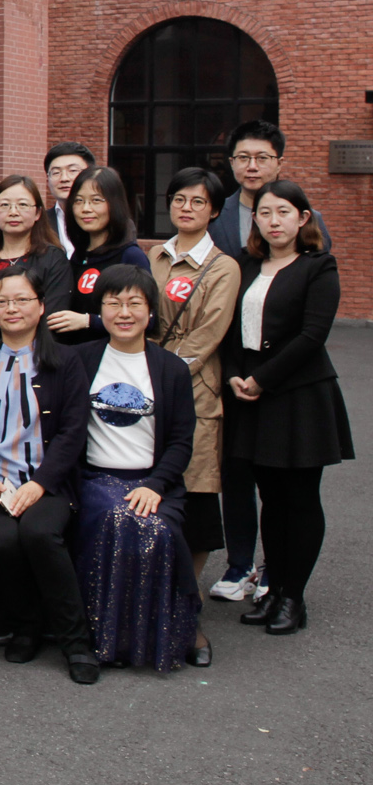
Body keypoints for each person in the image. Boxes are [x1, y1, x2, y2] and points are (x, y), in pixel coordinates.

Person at [223, 180, 353, 636]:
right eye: (265, 213)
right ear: (255, 220)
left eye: (283, 212)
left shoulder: (319, 266)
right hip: (249, 395)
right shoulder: (246, 264)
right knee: (271, 498)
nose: (274, 221)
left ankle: (293, 597)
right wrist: (235, 374)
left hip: (298, 396)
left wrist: (263, 378)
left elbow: (312, 336)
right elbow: (230, 328)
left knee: (299, 498)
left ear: (303, 218)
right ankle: (273, 589)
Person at [0, 266, 101, 684]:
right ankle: (25, 626)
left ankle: (76, 642)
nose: (12, 308)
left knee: (40, 533)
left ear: (41, 306)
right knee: (4, 540)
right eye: (2, 301)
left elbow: (72, 432)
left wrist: (39, 483)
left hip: (47, 483)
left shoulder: (65, 361)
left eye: (22, 300)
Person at [72, 266, 200, 672]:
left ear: (150, 311)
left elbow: (181, 441)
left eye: (134, 303)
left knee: (156, 528)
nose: (123, 313)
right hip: (92, 478)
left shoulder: (171, 369)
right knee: (118, 517)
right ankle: (106, 638)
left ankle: (166, 635)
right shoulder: (80, 359)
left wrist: (157, 485)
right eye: (113, 303)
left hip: (151, 481)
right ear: (101, 310)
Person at [150, 168, 241, 626]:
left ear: (215, 211)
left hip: (194, 390)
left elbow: (208, 334)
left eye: (198, 201)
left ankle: (187, 599)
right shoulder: (154, 255)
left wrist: (162, 373)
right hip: (146, 385)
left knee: (197, 496)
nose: (187, 208)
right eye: (179, 199)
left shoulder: (224, 267)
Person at [49, 166, 151, 347]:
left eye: (96, 200)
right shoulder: (77, 257)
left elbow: (150, 320)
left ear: (114, 204)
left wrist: (89, 321)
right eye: (79, 201)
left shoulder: (130, 256)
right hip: (73, 358)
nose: (86, 209)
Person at [0, 175, 72, 331]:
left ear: (38, 213)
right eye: (4, 205)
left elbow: (54, 317)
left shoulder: (53, 259)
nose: (13, 212)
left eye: (22, 205)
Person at [209, 120, 332, 255]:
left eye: (262, 158)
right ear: (232, 162)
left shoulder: (308, 218)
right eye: (243, 157)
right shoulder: (212, 216)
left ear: (279, 164)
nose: (252, 167)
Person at [43, 142, 95, 249]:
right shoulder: (38, 224)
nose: (64, 178)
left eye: (73, 170)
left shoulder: (110, 222)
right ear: (47, 180)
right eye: (56, 172)